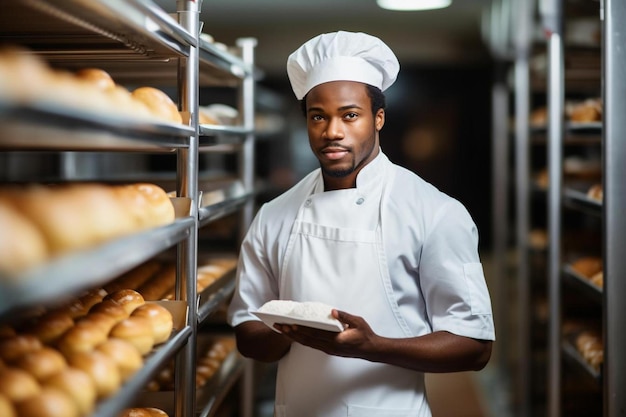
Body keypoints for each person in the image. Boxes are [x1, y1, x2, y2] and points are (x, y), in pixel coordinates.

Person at [227, 30, 495, 417]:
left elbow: (475, 346)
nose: (332, 131)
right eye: (318, 116)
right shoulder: (275, 214)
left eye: (349, 115)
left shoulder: (435, 212)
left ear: (379, 118)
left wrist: (372, 346)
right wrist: (287, 330)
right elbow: (247, 331)